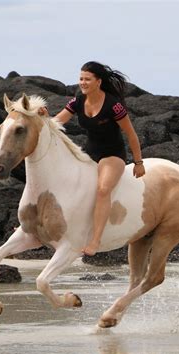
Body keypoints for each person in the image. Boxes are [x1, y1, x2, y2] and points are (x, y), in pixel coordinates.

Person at [53, 61, 145, 256]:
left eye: (87, 79)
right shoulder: (77, 101)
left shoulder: (114, 105)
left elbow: (131, 134)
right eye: (81, 79)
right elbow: (56, 123)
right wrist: (41, 117)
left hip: (112, 155)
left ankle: (95, 241)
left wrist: (138, 162)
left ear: (98, 82)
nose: (83, 83)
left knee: (103, 190)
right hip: (89, 153)